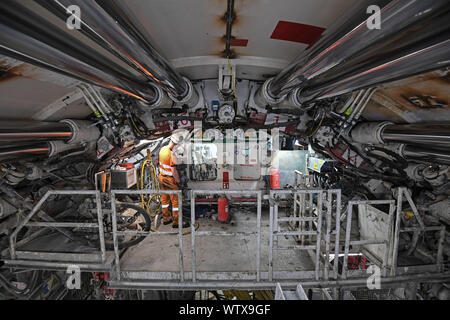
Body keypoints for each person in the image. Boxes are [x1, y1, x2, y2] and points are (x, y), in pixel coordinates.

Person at [158, 132, 190, 228]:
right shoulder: (172, 154)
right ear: (175, 144)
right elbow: (174, 171)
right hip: (170, 180)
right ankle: (177, 222)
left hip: (161, 178)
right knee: (176, 201)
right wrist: (179, 183)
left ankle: (166, 219)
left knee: (165, 199)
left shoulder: (162, 149)